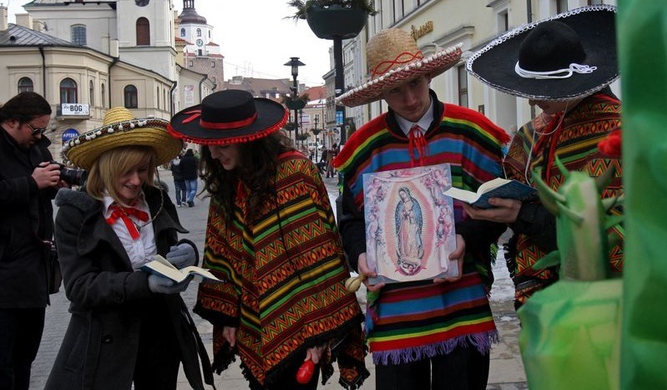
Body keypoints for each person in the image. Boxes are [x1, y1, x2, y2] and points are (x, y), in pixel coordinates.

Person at [332, 28, 511, 390]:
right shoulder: (363, 148)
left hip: (462, 303)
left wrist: (466, 239)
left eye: (415, 83)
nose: (410, 98)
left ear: (429, 75)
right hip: (397, 312)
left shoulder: (473, 132)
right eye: (395, 90)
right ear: (381, 92)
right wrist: (361, 254)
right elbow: (351, 219)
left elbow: (499, 202)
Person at [168, 90, 369, 390]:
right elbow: (222, 255)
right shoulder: (228, 182)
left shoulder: (294, 173)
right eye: (208, 145)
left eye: (221, 144)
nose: (212, 154)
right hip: (253, 322)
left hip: (304, 326)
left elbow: (319, 258)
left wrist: (319, 331)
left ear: (249, 140)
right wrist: (230, 316)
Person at [466, 4, 623, 308]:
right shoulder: (530, 135)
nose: (532, 100)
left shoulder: (623, 135)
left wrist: (522, 215)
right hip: (538, 303)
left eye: (543, 90)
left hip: (608, 306)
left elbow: (618, 239)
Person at [45, 107, 213, 390]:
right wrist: (145, 282)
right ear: (106, 167)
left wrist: (187, 254)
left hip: (161, 333)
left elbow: (169, 250)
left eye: (143, 170)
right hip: (105, 339)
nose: (136, 181)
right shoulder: (75, 214)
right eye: (126, 171)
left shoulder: (157, 199)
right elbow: (80, 287)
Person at [0, 92, 62, 389]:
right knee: (3, 362)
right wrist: (30, 183)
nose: (40, 136)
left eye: (43, 130)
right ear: (12, 121)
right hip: (4, 271)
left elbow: (42, 191)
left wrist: (54, 183)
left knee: (25, 357)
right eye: (35, 129)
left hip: (33, 269)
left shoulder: (36, 149)